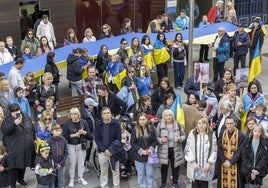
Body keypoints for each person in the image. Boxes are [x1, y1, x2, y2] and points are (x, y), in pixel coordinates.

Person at [1, 103, 35, 187]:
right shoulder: (7, 120)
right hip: (15, 147)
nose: (16, 112)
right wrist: (14, 123)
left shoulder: (25, 116)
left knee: (24, 163)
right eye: (14, 111)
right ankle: (12, 184)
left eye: (17, 110)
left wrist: (34, 138)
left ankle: (20, 179)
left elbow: (31, 128)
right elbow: (5, 130)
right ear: (10, 111)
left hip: (26, 146)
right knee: (15, 166)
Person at [185, 117, 217, 187]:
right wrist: (193, 163)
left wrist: (209, 163)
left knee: (204, 185)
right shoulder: (192, 134)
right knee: (195, 185)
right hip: (195, 166)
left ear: (207, 124)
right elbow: (187, 148)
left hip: (206, 167)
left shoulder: (211, 134)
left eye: (203, 123)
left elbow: (214, 150)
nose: (201, 125)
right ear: (197, 124)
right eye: (199, 123)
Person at [156, 109, 185, 188]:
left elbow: (183, 135)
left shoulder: (177, 124)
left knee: (175, 167)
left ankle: (175, 183)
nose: (168, 117)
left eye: (170, 115)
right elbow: (156, 137)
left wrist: (179, 138)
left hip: (175, 149)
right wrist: (161, 140)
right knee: (164, 167)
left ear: (173, 116)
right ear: (163, 117)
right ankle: (163, 183)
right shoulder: (160, 125)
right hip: (164, 150)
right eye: (166, 115)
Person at [62, 107, 91, 187]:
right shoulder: (67, 123)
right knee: (72, 163)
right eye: (71, 114)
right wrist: (75, 135)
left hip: (81, 145)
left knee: (81, 162)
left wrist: (84, 132)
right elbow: (65, 136)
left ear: (78, 114)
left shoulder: (84, 122)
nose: (73, 116)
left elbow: (89, 133)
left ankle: (80, 177)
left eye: (75, 114)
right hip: (71, 145)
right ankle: (71, 179)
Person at [94, 107, 122, 188]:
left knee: (115, 171)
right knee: (103, 172)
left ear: (111, 114)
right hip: (102, 153)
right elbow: (97, 139)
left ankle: (116, 186)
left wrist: (110, 150)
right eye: (104, 113)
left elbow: (118, 139)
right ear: (102, 115)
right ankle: (104, 186)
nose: (106, 115)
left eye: (108, 113)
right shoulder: (98, 124)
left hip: (114, 152)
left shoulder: (116, 124)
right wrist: (105, 150)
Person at [130, 112, 158, 188]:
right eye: (140, 119)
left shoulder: (151, 129)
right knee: (141, 174)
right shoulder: (134, 130)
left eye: (144, 119)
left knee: (150, 174)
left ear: (147, 120)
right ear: (138, 121)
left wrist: (150, 149)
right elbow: (132, 143)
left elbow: (155, 140)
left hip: (149, 155)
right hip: (139, 156)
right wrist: (141, 151)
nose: (142, 121)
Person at [217, 115, 245, 188]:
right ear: (225, 124)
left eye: (231, 123)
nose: (229, 125)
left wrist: (231, 162)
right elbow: (219, 148)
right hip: (224, 162)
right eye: (227, 123)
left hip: (236, 163)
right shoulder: (222, 133)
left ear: (234, 123)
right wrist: (223, 161)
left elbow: (240, 151)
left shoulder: (240, 135)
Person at [80, 97, 97, 166]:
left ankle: (87, 161)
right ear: (88, 106)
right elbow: (83, 127)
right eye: (92, 105)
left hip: (91, 134)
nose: (93, 107)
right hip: (86, 135)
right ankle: (83, 165)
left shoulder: (91, 111)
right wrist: (89, 134)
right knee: (85, 150)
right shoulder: (82, 114)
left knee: (89, 149)